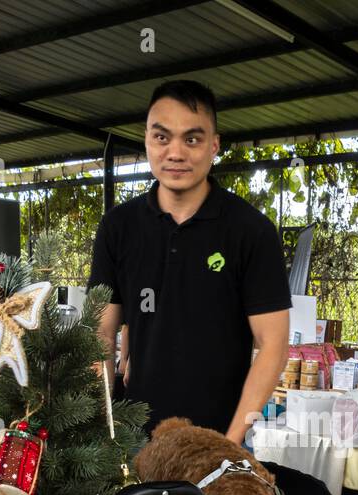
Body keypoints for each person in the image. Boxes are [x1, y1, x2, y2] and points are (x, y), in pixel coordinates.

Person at [88, 80, 291, 443]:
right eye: (162, 137)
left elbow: (273, 344)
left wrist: (230, 443)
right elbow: (100, 334)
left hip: (217, 439)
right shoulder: (118, 227)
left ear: (214, 145)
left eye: (192, 139)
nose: (176, 153)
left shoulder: (250, 231)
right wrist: (103, 428)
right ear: (147, 140)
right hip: (134, 443)